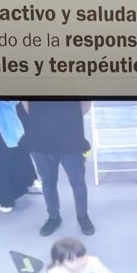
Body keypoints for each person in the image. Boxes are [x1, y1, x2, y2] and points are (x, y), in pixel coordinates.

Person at [22, 100, 95, 237]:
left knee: (78, 183)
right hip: (41, 140)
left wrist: (68, 118)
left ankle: (83, 217)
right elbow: (25, 102)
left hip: (71, 140)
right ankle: (53, 217)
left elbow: (85, 103)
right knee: (48, 183)